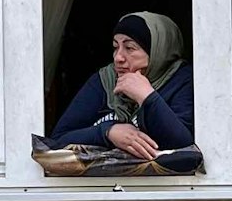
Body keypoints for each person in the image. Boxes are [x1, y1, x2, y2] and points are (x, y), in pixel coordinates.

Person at [47, 11, 194, 157]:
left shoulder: (182, 80)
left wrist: (147, 96)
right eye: (115, 47)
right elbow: (58, 140)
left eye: (129, 48)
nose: (118, 58)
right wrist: (108, 132)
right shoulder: (106, 79)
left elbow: (183, 145)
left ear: (157, 51)